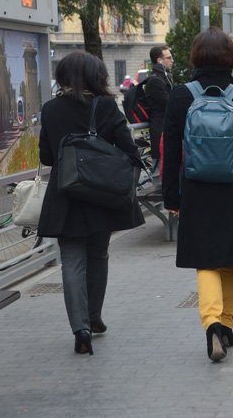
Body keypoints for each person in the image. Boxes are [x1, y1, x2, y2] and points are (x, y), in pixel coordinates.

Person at [162, 28, 233, 362]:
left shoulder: (181, 96)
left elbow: (171, 154)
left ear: (195, 56)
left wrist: (172, 198)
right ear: (231, 58)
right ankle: (226, 323)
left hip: (195, 191)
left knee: (205, 261)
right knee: (231, 259)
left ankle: (210, 324)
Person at [38, 51, 145, 356]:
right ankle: (94, 317)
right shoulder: (107, 105)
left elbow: (46, 156)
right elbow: (128, 148)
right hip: (101, 195)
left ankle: (79, 328)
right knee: (98, 254)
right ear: (97, 76)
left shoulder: (51, 109)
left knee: (71, 260)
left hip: (65, 195)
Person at [144, 45, 174, 167]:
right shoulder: (155, 80)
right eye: (169, 58)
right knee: (160, 169)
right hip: (160, 129)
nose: (172, 60)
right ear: (159, 61)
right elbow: (168, 103)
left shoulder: (165, 77)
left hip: (166, 127)